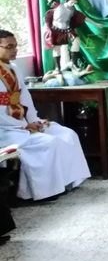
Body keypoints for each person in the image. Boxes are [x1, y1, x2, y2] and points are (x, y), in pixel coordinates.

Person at [0, 29, 90, 201]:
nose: (15, 50)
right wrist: (24, 126)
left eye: (16, 46)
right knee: (48, 142)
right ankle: (44, 192)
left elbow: (24, 98)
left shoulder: (14, 68)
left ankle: (68, 181)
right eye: (9, 47)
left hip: (23, 123)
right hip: (6, 129)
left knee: (67, 134)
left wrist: (34, 120)